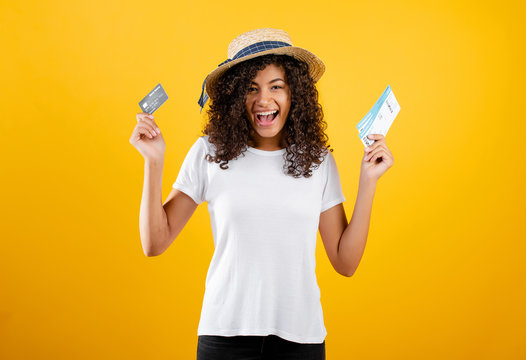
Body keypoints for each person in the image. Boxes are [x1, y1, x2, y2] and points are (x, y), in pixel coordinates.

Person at [129, 28, 394, 360]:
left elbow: (345, 262)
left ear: (295, 93)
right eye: (251, 89)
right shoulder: (209, 152)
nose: (264, 100)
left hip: (300, 338)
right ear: (234, 96)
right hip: (224, 336)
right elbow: (154, 243)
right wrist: (154, 162)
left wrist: (369, 181)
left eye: (276, 87)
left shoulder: (318, 161)